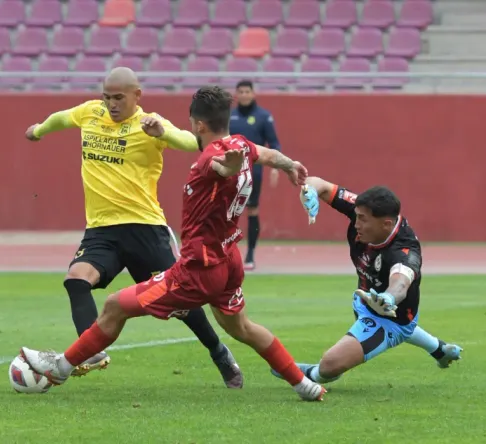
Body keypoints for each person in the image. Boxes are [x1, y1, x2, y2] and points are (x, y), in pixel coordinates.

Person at [19, 86, 326, 402]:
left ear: (198, 125)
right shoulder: (242, 144)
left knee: (113, 306)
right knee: (243, 328)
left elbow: (222, 167)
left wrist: (231, 167)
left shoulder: (212, 157)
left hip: (197, 268)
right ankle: (304, 385)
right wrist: (290, 164)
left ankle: (60, 369)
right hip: (228, 260)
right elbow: (266, 154)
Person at [24, 68, 243, 388]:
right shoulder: (90, 113)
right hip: (101, 230)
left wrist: (162, 133)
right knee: (76, 279)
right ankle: (90, 350)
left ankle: (218, 351)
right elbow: (62, 118)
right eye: (107, 97)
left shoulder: (150, 124)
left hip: (145, 228)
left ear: (136, 96)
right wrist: (39, 130)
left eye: (118, 98)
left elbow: (190, 141)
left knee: (183, 303)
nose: (111, 104)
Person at [272, 178, 462, 385]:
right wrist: (310, 192)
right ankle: (440, 351)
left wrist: (389, 297)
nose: (356, 224)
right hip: (366, 297)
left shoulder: (404, 252)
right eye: (356, 216)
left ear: (386, 224)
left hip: (390, 319)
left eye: (362, 219)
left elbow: (401, 282)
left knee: (330, 365)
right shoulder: (364, 209)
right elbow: (318, 183)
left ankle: (310, 375)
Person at [229, 80, 281, 271]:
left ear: (253, 93)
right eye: (240, 91)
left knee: (252, 210)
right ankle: (226, 253)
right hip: (230, 170)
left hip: (253, 171)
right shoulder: (229, 117)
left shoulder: (263, 117)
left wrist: (275, 167)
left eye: (247, 91)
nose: (243, 95)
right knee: (227, 212)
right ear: (236, 94)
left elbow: (274, 144)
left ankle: (250, 253)